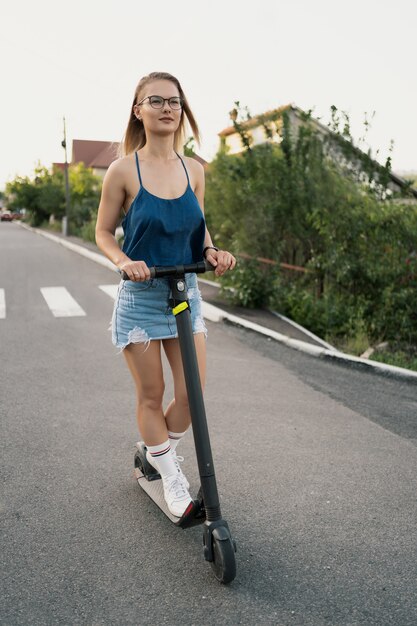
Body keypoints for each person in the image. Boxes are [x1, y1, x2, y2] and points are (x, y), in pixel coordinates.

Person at [95, 71, 236, 517]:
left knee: (192, 393)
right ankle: (172, 478)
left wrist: (212, 250)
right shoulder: (122, 170)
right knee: (151, 396)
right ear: (138, 110)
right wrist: (123, 261)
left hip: (184, 293)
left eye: (174, 101)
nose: (167, 108)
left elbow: (198, 224)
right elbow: (102, 232)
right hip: (141, 298)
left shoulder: (193, 169)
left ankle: (157, 450)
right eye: (155, 100)